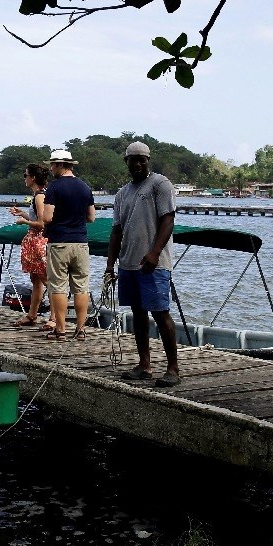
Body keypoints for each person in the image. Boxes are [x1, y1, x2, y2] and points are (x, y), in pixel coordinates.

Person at [105, 141, 181, 387]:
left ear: (149, 160)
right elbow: (116, 231)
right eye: (133, 159)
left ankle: (173, 368)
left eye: (143, 159)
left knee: (161, 313)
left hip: (154, 264)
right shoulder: (121, 194)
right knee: (138, 314)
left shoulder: (160, 184)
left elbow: (168, 220)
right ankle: (144, 364)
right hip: (128, 263)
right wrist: (109, 265)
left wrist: (154, 253)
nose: (138, 163)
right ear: (126, 161)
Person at [41, 149, 96, 340]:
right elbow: (91, 217)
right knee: (81, 286)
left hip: (59, 243)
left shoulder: (54, 188)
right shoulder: (85, 187)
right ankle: (80, 329)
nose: (50, 168)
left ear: (59, 165)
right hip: (81, 242)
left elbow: (47, 217)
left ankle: (61, 329)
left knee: (58, 286)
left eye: (52, 165)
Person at [8, 163, 51, 328]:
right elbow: (37, 217)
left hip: (38, 241)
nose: (24, 178)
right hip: (34, 241)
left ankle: (53, 318)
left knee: (46, 279)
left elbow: (42, 223)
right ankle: (32, 314)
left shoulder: (40, 196)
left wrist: (24, 221)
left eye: (25, 175)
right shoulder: (39, 195)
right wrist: (23, 213)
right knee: (36, 279)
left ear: (33, 178)